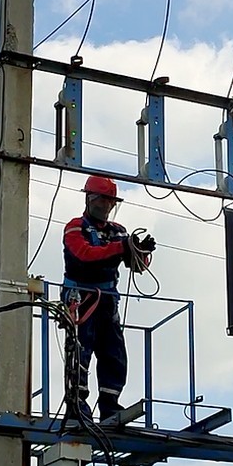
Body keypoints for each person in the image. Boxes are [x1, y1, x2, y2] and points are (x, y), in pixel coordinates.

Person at [61, 175, 156, 422]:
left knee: (113, 352)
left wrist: (140, 252)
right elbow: (84, 255)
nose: (107, 207)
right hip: (80, 297)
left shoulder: (118, 232)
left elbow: (135, 266)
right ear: (91, 199)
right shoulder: (75, 227)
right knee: (80, 349)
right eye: (104, 201)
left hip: (107, 299)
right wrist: (121, 248)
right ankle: (77, 403)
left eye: (111, 202)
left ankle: (109, 404)